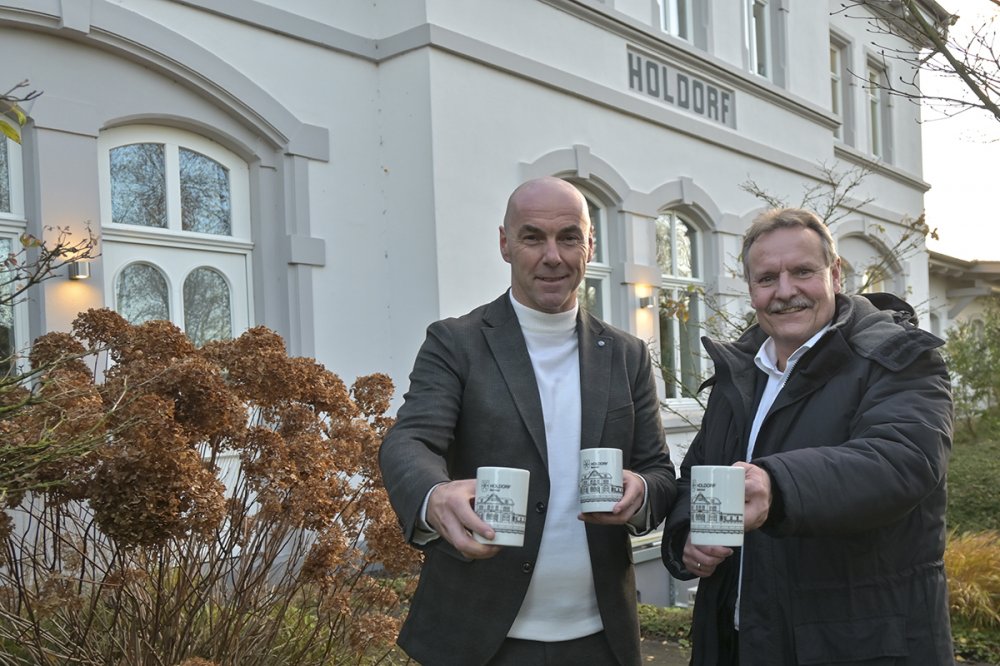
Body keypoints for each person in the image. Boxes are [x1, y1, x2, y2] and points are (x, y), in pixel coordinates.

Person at [380, 177, 676, 666]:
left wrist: (641, 492)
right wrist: (435, 496)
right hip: (478, 637)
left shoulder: (627, 354)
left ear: (589, 245)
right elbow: (410, 439)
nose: (553, 256)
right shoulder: (457, 342)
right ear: (505, 244)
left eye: (568, 237)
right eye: (533, 237)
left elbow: (659, 472)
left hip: (601, 637)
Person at [660, 207, 954, 665]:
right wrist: (686, 536)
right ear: (751, 288)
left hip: (855, 647)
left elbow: (902, 462)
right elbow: (695, 476)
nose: (785, 291)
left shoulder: (901, 357)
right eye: (767, 278)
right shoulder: (740, 372)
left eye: (802, 272)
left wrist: (777, 486)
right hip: (736, 642)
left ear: (835, 274)